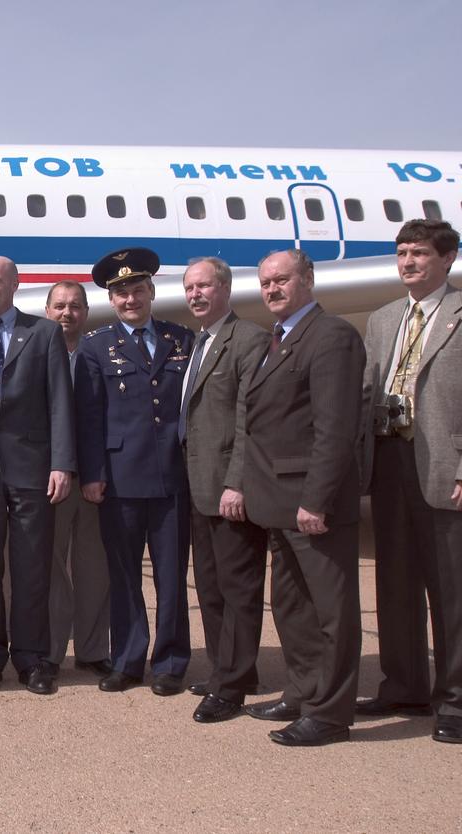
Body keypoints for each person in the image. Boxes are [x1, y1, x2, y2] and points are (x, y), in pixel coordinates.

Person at [242, 249, 365, 747]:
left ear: (308, 280)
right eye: (266, 282)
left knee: (332, 612)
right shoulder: (278, 339)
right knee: (292, 608)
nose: (272, 289)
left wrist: (316, 500)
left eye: (282, 280)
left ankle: (331, 714)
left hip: (312, 504)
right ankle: (302, 691)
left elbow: (336, 429)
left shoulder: (331, 336)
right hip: (278, 503)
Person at [359, 219, 462, 744]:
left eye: (419, 253)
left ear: (447, 259)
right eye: (402, 253)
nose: (408, 262)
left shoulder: (460, 314)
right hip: (391, 460)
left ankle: (456, 700)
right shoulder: (383, 319)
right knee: (395, 584)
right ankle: (404, 685)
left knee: (450, 590)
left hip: (445, 466)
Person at [76, 247, 193, 696]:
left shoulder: (181, 340)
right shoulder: (95, 346)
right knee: (124, 576)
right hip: (120, 481)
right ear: (111, 299)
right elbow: (89, 418)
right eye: (121, 293)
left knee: (170, 576)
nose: (130, 299)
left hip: (171, 479)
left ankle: (170, 662)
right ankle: (127, 661)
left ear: (151, 292)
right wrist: (93, 474)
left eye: (137, 290)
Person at [0, 256, 74, 695]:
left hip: (33, 471)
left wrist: (62, 463)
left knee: (31, 568)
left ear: (15, 285)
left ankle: (30, 657)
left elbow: (60, 401)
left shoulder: (44, 334)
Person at [178, 257, 271, 723]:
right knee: (211, 587)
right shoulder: (201, 342)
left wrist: (237, 482)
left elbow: (249, 421)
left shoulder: (248, 340)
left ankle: (230, 688)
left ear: (226, 289)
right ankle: (228, 670)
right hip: (201, 488)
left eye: (205, 286)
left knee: (237, 589)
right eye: (190, 287)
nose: (196, 295)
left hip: (230, 490)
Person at [44, 281, 112, 676]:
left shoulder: (100, 352)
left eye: (74, 306)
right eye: (59, 306)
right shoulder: (35, 352)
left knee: (93, 568)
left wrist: (97, 473)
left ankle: (91, 649)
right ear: (47, 310)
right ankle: (51, 652)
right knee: (51, 571)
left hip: (92, 481)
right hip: (51, 481)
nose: (66, 313)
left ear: (86, 312)